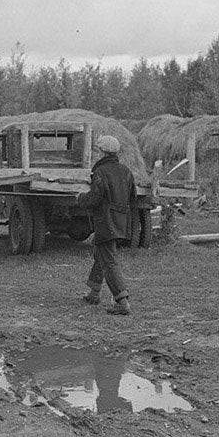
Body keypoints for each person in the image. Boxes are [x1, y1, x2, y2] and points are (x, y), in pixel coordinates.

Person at [76, 134, 137, 316]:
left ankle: (121, 300)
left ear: (102, 152)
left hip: (106, 221)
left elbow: (94, 198)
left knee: (108, 260)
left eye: (98, 151)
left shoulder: (101, 172)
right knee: (101, 253)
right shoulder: (126, 171)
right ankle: (94, 292)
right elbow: (132, 197)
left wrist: (80, 198)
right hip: (121, 221)